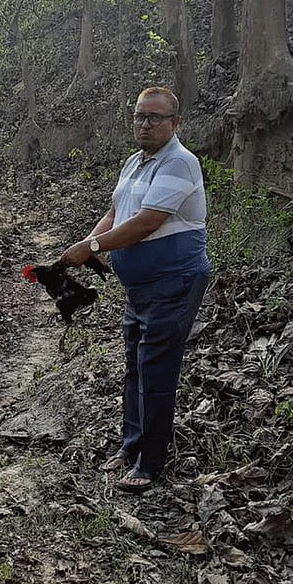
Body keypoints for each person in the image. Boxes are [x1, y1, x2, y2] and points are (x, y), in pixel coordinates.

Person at [61, 86, 210, 494]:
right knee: (135, 364)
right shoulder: (134, 162)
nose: (145, 124)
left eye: (155, 118)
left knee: (156, 368)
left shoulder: (179, 163)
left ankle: (150, 461)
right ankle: (131, 447)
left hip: (174, 282)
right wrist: (92, 243)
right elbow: (117, 210)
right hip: (141, 287)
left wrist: (91, 247)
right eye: (140, 116)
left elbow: (147, 221)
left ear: (174, 123)